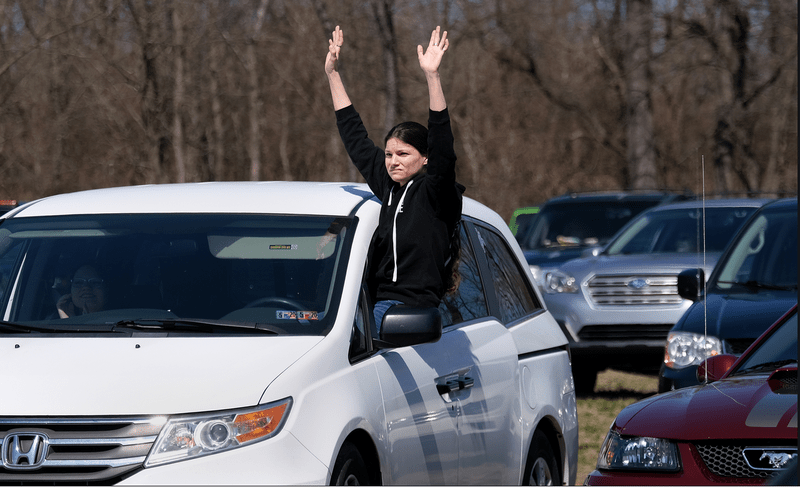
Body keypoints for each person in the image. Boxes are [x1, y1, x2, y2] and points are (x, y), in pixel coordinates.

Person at [325, 25, 464, 332]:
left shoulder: (434, 192)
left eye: (403, 154)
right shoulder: (390, 187)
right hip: (372, 304)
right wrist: (333, 74)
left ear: (424, 158)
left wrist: (432, 76)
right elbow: (356, 138)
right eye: (389, 154)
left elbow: (443, 146)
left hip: (405, 310)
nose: (392, 162)